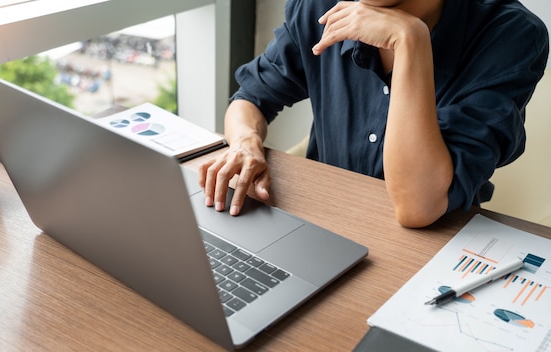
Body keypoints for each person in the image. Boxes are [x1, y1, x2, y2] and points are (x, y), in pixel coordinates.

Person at [198, 0, 549, 228]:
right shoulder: (320, 7)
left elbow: (418, 207)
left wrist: (410, 40)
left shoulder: (511, 34)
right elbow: (251, 98)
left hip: (433, 244)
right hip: (321, 221)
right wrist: (245, 144)